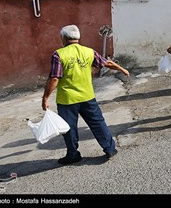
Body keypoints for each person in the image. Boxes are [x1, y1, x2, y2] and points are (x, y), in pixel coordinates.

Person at [41, 24, 130, 165]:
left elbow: (55, 78)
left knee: (69, 128)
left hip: (67, 99)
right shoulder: (89, 52)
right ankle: (110, 149)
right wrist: (122, 69)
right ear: (77, 37)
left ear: (63, 38)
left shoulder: (58, 54)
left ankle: (73, 155)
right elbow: (106, 63)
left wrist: (45, 98)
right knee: (98, 123)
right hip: (87, 96)